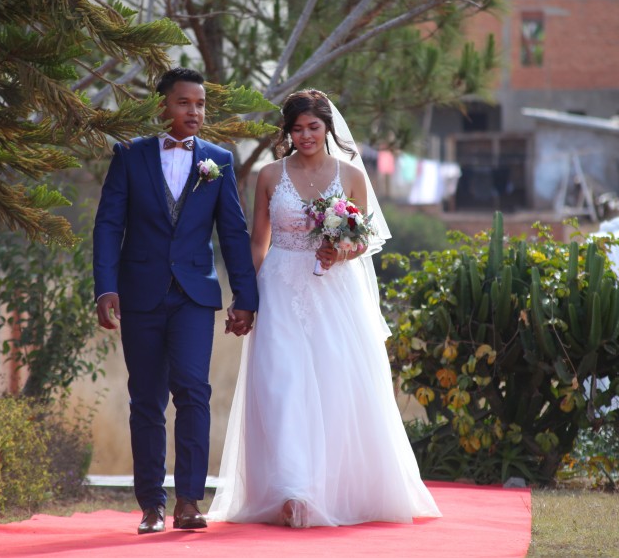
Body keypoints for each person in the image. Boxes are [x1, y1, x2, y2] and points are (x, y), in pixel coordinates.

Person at [208, 89, 441, 528]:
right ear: (288, 132)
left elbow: (363, 240)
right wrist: (246, 297)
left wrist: (341, 253)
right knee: (282, 386)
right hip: (278, 286)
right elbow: (257, 241)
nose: (305, 135)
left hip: (334, 292)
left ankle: (329, 489)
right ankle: (292, 492)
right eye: (296, 129)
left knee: (335, 387)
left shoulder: (351, 175)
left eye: (313, 127)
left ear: (327, 127)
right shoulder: (268, 175)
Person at [92, 67, 259, 535]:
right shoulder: (129, 156)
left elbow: (233, 232)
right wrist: (106, 287)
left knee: (193, 390)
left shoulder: (218, 160)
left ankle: (189, 500)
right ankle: (151, 505)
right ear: (162, 104)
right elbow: (108, 226)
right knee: (146, 399)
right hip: (140, 294)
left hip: (193, 296)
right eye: (185, 102)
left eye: (201, 104)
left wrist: (245, 296)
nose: (195, 111)